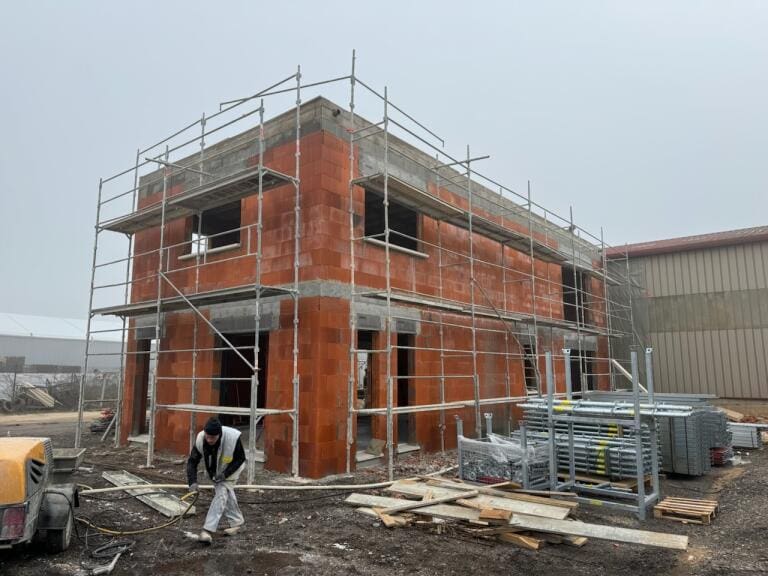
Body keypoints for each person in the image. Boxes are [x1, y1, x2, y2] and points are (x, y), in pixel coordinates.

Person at [186, 417, 246, 543]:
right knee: (226, 492)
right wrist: (192, 482)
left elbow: (240, 458)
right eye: (207, 436)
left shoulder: (232, 438)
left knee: (222, 493)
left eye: (212, 438)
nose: (209, 440)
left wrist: (225, 474)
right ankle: (237, 522)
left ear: (219, 435)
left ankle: (207, 530)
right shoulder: (201, 439)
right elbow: (192, 462)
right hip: (217, 470)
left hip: (232, 468)